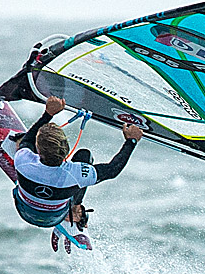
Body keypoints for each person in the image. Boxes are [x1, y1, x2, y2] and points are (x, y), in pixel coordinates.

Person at [11, 95, 143, 251]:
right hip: (55, 216)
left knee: (20, 142)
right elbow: (113, 170)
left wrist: (48, 114)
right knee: (84, 155)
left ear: (37, 150)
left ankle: (69, 211)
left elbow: (27, 141)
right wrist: (131, 141)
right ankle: (73, 210)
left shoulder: (23, 160)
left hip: (24, 211)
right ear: (65, 150)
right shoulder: (76, 173)